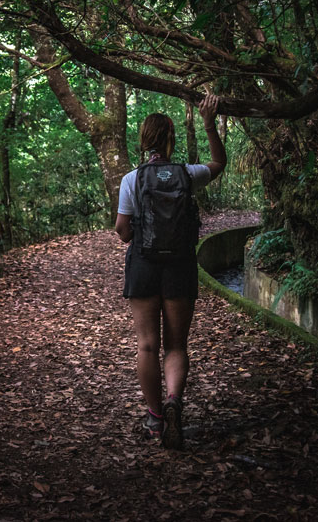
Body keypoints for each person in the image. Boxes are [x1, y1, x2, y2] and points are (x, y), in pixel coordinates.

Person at [114, 95, 226, 449]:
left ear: (144, 140)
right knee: (176, 344)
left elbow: (122, 230)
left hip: (144, 266)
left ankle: (155, 418)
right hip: (179, 266)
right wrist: (209, 123)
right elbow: (219, 163)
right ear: (169, 140)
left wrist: (138, 232)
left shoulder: (132, 179)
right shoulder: (187, 175)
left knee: (147, 345)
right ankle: (174, 401)